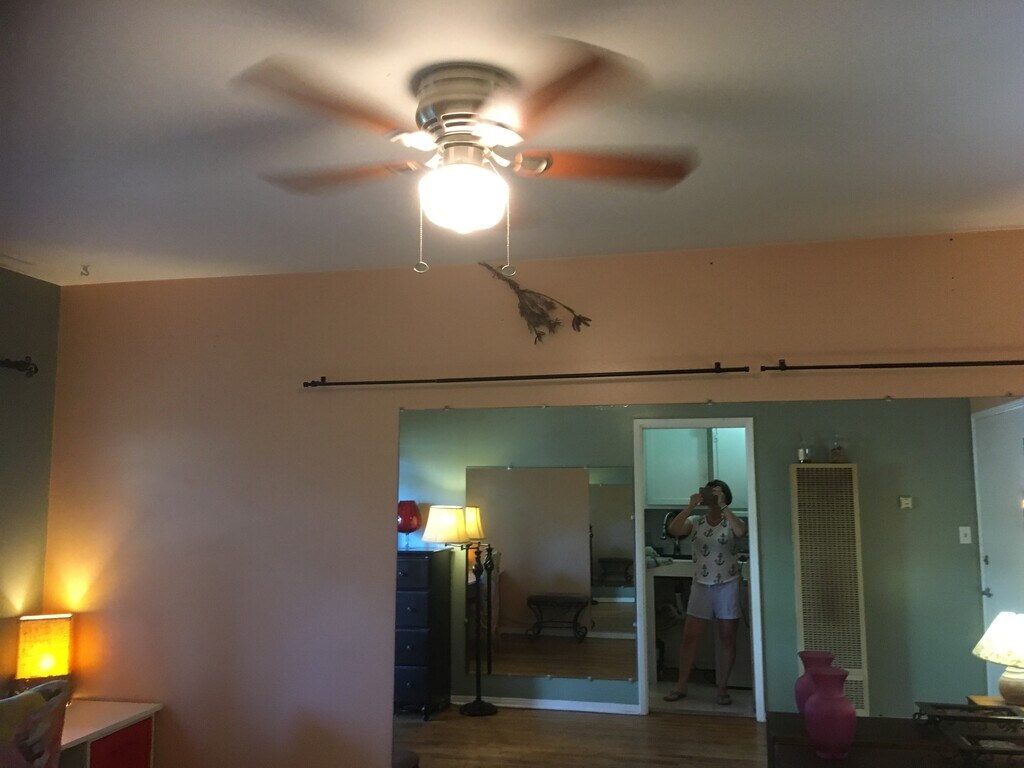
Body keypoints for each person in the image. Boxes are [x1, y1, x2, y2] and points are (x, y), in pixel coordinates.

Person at [662, 479, 747, 705]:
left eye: (718, 493)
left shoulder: (731, 521)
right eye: (710, 492)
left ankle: (722, 689)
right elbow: (674, 529)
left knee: (727, 638)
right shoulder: (695, 521)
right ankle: (681, 686)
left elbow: (741, 531)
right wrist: (690, 506)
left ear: (725, 496)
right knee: (689, 637)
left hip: (728, 585)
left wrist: (724, 506)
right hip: (701, 585)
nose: (713, 496)